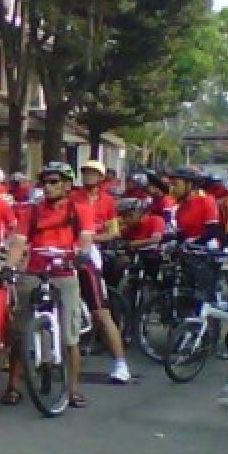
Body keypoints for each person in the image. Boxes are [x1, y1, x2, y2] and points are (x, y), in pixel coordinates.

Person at [2, 161, 96, 408]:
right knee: (20, 330)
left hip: (64, 270)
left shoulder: (80, 209)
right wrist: (10, 268)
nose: (48, 187)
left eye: (54, 182)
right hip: (35, 269)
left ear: (67, 185)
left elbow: (85, 237)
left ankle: (74, 388)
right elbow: (19, 242)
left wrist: (82, 253)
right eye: (45, 182)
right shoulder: (31, 211)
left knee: (69, 333)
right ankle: (13, 385)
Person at [74, 159, 132, 382]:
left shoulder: (108, 202)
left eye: (92, 174)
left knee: (101, 312)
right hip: (70, 251)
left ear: (101, 178)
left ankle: (120, 364)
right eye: (85, 172)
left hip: (92, 252)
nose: (88, 177)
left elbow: (114, 232)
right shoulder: (73, 198)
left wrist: (91, 237)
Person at [170, 166, 221, 242]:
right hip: (187, 250)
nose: (172, 188)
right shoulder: (180, 208)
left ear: (189, 184)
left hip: (207, 249)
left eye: (175, 184)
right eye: (171, 185)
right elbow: (180, 234)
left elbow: (212, 232)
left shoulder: (206, 201)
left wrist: (192, 242)